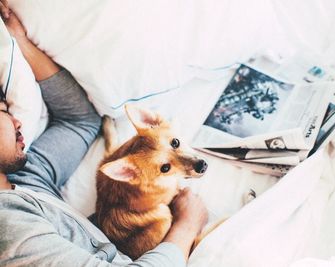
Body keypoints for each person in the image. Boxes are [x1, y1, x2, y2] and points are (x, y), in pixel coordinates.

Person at [0, 4, 208, 267]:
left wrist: (19, 41)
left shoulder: (25, 178)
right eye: (2, 111)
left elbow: (79, 120)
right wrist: (187, 224)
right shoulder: (9, 228)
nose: (16, 119)